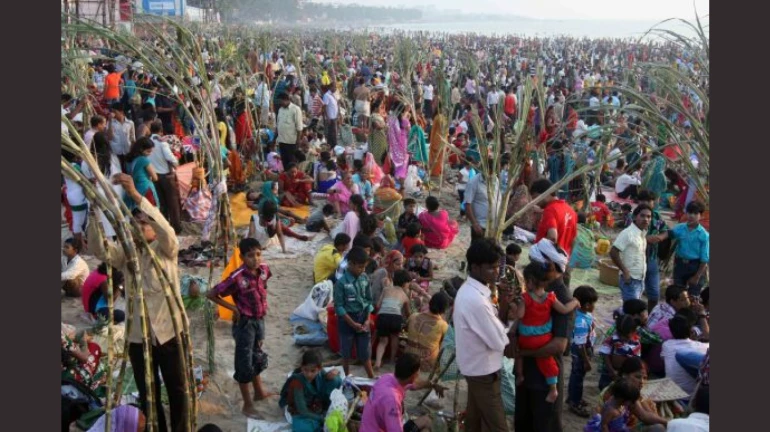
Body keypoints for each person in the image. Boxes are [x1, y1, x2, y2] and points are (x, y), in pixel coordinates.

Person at [87, 174, 189, 432]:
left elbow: (166, 229)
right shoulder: (127, 255)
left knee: (178, 389)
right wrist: (94, 211)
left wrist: (135, 195)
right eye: (134, 225)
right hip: (137, 336)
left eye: (142, 224)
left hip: (168, 331)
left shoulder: (166, 251)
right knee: (148, 391)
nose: (137, 228)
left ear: (152, 230)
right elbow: (100, 250)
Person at [206, 238, 273, 418]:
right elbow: (211, 294)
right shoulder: (238, 277)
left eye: (258, 254)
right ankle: (247, 404)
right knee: (244, 363)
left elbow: (263, 286)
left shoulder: (264, 270)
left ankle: (259, 392)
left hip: (260, 320)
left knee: (256, 355)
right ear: (242, 257)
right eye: (250, 256)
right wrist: (233, 308)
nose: (255, 259)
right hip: (245, 324)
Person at [453, 238, 509, 432]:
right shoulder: (476, 300)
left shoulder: (473, 292)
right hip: (483, 372)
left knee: (474, 422)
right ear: (475, 267)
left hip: (475, 368)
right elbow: (499, 341)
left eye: (497, 267)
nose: (496, 272)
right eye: (491, 268)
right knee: (498, 426)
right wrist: (516, 319)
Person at [514, 250, 581, 404]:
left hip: (528, 343)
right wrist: (576, 302)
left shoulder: (529, 297)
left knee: (519, 355)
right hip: (542, 341)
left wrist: (524, 352)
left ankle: (520, 375)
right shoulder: (551, 297)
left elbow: (559, 346)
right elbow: (564, 309)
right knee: (547, 363)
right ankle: (553, 389)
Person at [360, 353, 441, 432]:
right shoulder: (392, 399)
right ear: (414, 375)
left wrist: (433, 384)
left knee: (426, 420)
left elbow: (414, 385)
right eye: (418, 371)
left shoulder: (387, 378)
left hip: (370, 427)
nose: (419, 373)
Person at [333, 246, 375, 378]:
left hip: (363, 318)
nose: (362, 270)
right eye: (360, 267)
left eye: (364, 267)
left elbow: (368, 301)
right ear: (350, 264)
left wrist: (367, 319)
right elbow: (339, 307)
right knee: (346, 353)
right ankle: (347, 376)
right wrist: (352, 323)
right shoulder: (341, 283)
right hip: (347, 320)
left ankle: (371, 377)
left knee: (365, 352)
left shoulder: (364, 278)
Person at [278, 350, 343, 432]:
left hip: (315, 400)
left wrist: (335, 372)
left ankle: (326, 406)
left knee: (336, 380)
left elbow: (329, 377)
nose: (309, 374)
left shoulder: (320, 372)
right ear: (302, 367)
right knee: (303, 429)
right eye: (305, 370)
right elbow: (302, 410)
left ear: (319, 369)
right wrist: (321, 418)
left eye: (313, 371)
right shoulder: (297, 382)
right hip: (302, 407)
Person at [657, 201, 709, 299]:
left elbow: (704, 259)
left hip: (695, 266)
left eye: (695, 213)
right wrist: (659, 237)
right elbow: (669, 233)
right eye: (689, 212)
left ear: (701, 216)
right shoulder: (680, 227)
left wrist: (697, 276)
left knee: (693, 296)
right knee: (678, 294)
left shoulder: (704, 235)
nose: (691, 216)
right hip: (680, 264)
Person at [566, 286, 599, 418]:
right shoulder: (580, 322)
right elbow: (580, 346)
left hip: (584, 349)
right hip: (581, 354)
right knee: (578, 377)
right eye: (593, 303)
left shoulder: (584, 315)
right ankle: (575, 402)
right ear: (586, 305)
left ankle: (572, 397)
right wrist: (586, 361)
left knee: (576, 375)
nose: (594, 306)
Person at [530, 178, 577, 270]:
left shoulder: (550, 210)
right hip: (563, 263)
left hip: (548, 264)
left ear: (545, 194)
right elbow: (573, 240)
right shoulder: (571, 211)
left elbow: (552, 237)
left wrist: (539, 255)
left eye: (535, 198)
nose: (535, 202)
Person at [610, 204, 652, 302]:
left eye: (648, 217)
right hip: (630, 279)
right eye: (642, 216)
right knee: (632, 311)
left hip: (640, 279)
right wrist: (625, 271)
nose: (645, 219)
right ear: (635, 217)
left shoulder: (642, 234)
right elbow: (613, 252)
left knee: (632, 311)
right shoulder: (628, 233)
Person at [636, 190, 668, 311]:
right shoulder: (633, 216)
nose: (647, 203)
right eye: (643, 201)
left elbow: (666, 231)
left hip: (652, 258)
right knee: (635, 292)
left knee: (654, 294)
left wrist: (660, 237)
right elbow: (628, 235)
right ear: (639, 202)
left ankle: (650, 317)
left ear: (653, 202)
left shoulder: (657, 217)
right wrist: (646, 239)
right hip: (636, 259)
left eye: (649, 201)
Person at [661, 315, 709, 396]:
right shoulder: (701, 346)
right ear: (691, 330)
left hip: (672, 394)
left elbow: (664, 359)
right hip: (692, 395)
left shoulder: (666, 345)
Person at [374, 269, 412, 369]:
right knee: (394, 338)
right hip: (395, 317)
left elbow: (378, 305)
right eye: (408, 283)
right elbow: (408, 313)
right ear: (404, 284)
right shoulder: (405, 296)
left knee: (382, 341)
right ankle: (391, 360)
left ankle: (377, 362)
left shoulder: (386, 289)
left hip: (382, 316)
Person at [148, 120, 182, 233]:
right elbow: (171, 158)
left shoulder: (147, 142)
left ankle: (165, 227)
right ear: (161, 131)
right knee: (173, 203)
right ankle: (176, 228)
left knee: (162, 203)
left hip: (154, 176)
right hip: (166, 176)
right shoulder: (162, 143)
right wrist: (176, 163)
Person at [405, 292, 451, 372]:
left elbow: (406, 330)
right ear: (444, 309)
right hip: (426, 364)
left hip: (407, 357)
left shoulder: (413, 316)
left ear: (430, 302)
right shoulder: (443, 325)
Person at [597, 314, 643, 391]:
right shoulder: (612, 339)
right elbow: (605, 355)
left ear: (634, 332)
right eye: (620, 335)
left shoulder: (636, 343)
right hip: (610, 370)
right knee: (606, 389)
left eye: (626, 336)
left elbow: (636, 359)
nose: (622, 338)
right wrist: (611, 371)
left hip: (626, 373)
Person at [464, 162, 501, 241]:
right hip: (480, 225)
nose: (492, 175)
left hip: (493, 225)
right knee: (478, 249)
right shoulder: (473, 182)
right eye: (490, 172)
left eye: (494, 173)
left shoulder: (496, 180)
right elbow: (467, 205)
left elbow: (498, 199)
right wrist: (475, 224)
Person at [125, 137, 159, 209]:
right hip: (146, 188)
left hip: (134, 188)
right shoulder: (144, 160)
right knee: (152, 212)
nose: (150, 154)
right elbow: (155, 178)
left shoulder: (128, 159)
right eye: (148, 151)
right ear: (141, 149)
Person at [276, 92, 305, 166]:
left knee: (291, 163)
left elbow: (299, 127)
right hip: (282, 141)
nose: (280, 103)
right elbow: (278, 125)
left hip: (291, 143)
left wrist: (298, 142)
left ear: (286, 100)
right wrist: (274, 139)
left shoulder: (295, 109)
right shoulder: (280, 110)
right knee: (284, 161)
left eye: (280, 101)